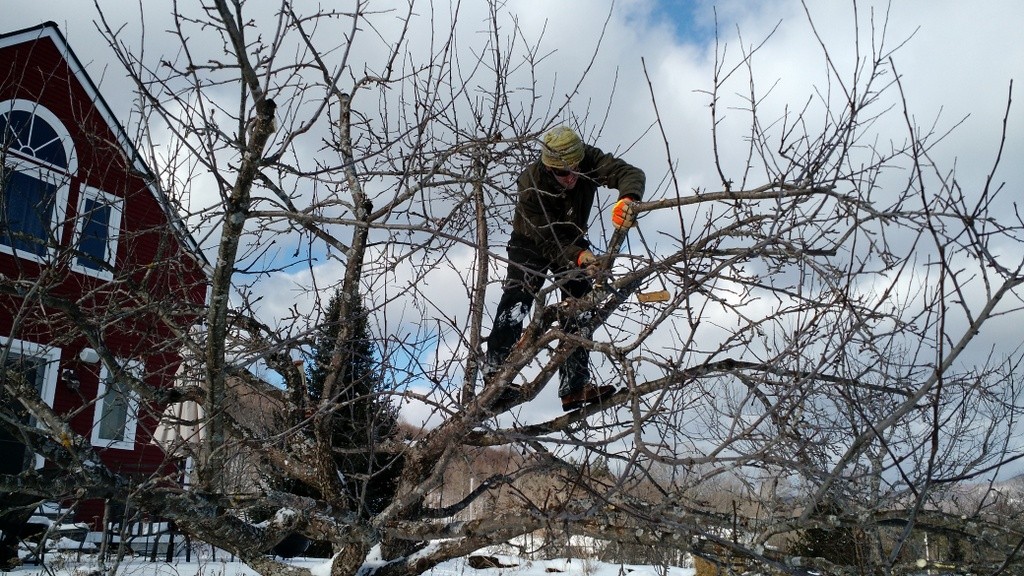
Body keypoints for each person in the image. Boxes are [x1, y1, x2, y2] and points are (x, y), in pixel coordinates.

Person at [484, 126, 644, 411]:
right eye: (561, 172)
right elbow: (548, 241)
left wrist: (628, 198)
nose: (570, 177)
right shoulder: (531, 184)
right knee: (516, 302)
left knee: (579, 307)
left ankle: (575, 387)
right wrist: (579, 256)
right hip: (532, 241)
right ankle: (496, 381)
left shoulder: (590, 160)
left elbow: (630, 173)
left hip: (572, 237)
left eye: (575, 169)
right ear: (548, 168)